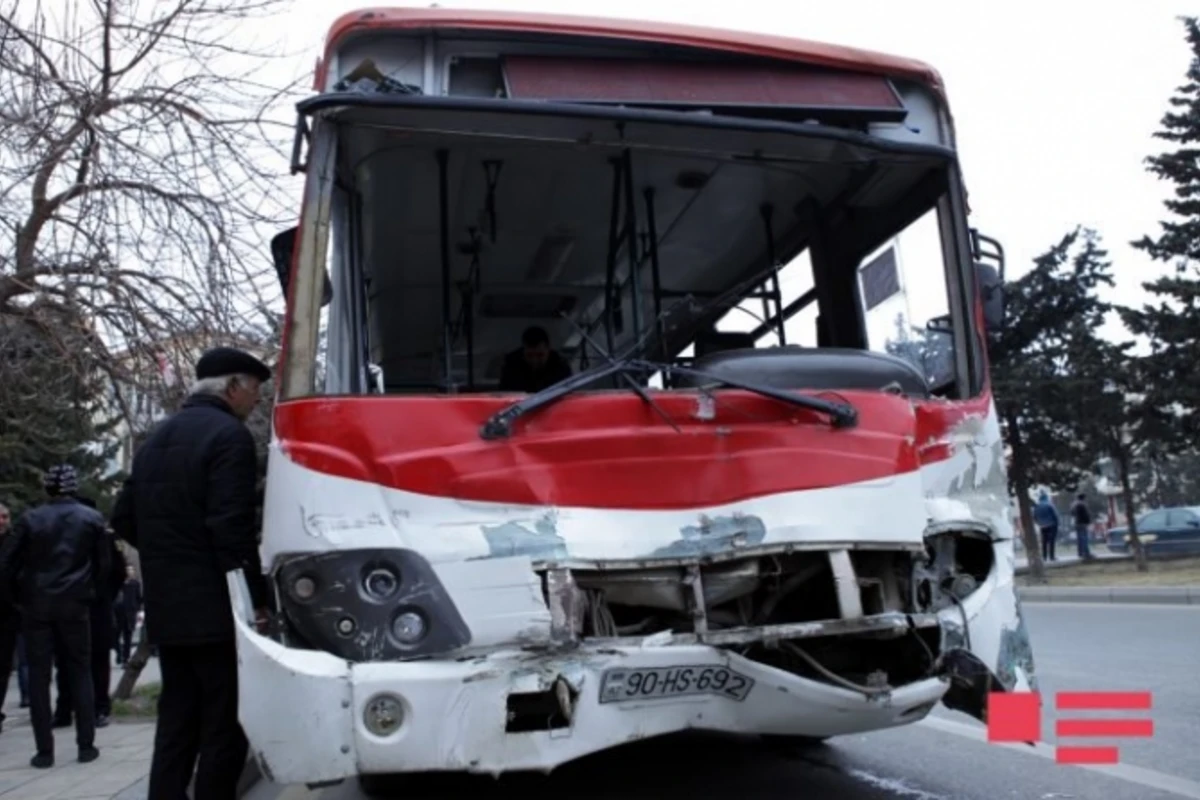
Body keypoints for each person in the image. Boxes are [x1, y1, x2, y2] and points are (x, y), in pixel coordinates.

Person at [111, 346, 272, 800]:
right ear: (233, 388)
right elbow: (231, 529)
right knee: (225, 721)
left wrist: (170, 553)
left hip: (167, 604)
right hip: (217, 607)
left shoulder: (155, 440)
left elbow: (123, 516)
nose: (257, 400)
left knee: (177, 718)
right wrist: (255, 599)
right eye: (255, 389)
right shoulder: (229, 438)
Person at [0, 465, 107, 767]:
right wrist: (89, 594)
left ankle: (44, 750)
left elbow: (6, 564)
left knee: (38, 676)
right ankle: (86, 745)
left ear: (47, 488)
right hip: (75, 604)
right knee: (80, 672)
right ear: (73, 487)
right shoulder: (91, 519)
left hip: (37, 604)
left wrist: (18, 599)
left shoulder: (31, 520)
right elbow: (104, 566)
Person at [52, 509, 125, 730]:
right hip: (80, 607)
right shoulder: (72, 535)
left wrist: (103, 597)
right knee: (71, 661)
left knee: (88, 660)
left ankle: (91, 708)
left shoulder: (103, 538)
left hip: (88, 607)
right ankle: (75, 709)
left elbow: (118, 572)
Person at [0, 501, 25, 729]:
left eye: (5, 516)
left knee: (4, 665)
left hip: (8, 612)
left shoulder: (15, 542)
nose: (2, 521)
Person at [498, 325, 572, 393]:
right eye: (529, 355)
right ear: (523, 351)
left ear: (548, 350)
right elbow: (504, 394)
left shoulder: (560, 366)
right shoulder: (512, 366)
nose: (534, 360)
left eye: (540, 355)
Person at [114, 564, 142, 666]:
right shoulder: (118, 584)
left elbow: (138, 598)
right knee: (115, 636)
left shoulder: (135, 584)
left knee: (128, 637)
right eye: (127, 570)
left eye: (131, 570)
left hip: (130, 613)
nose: (129, 572)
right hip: (118, 613)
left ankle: (126, 658)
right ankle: (119, 653)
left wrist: (137, 610)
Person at [1033, 492, 1060, 562]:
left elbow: (1034, 517)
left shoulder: (1037, 506)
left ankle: (1044, 557)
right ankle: (1052, 556)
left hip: (1042, 526)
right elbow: (1055, 515)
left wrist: (1039, 523)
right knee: (1051, 541)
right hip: (1052, 525)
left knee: (1044, 542)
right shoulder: (1049, 504)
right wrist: (1057, 523)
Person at [1069, 493, 1094, 561]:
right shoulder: (1082, 504)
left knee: (1079, 539)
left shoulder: (1074, 504)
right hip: (1083, 523)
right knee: (1084, 538)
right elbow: (1086, 514)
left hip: (1076, 523)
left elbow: (1071, 513)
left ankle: (1080, 552)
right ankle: (1086, 553)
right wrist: (1089, 522)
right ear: (1083, 498)